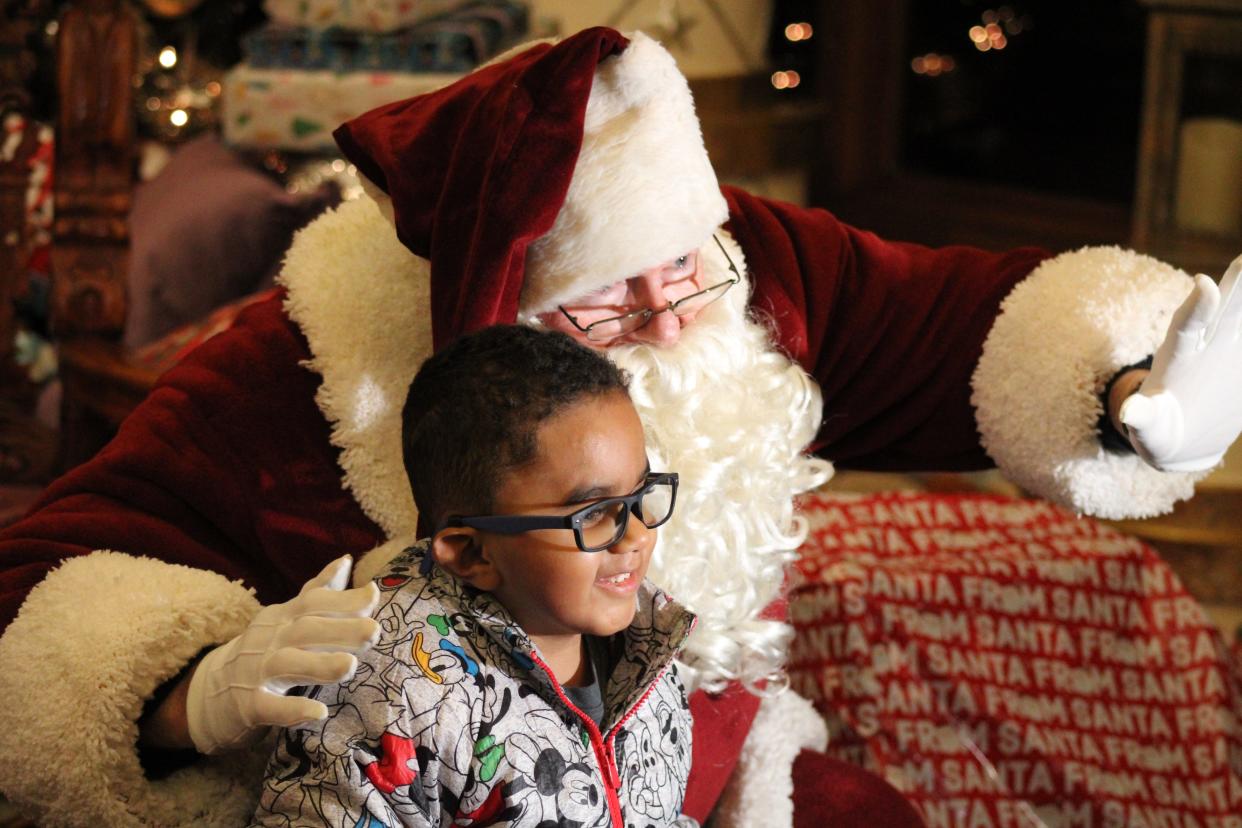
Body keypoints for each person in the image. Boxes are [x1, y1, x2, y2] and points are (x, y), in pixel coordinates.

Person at [0, 25, 1237, 828]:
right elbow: (33, 592)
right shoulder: (306, 373)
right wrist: (189, 692)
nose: (667, 315)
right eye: (610, 294)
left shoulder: (736, 272)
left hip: (712, 777)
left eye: (685, 273)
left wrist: (1128, 390)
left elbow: (956, 321)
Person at [252, 324, 697, 827]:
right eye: (593, 513)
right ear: (471, 553)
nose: (635, 536)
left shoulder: (648, 645)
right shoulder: (397, 693)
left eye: (640, 495)